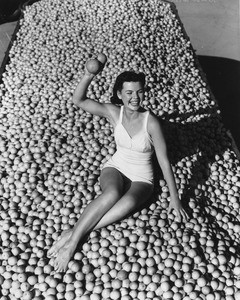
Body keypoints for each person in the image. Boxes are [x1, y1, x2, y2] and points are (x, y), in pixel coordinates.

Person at [47, 61, 188, 272]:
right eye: (129, 92)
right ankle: (73, 243)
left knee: (129, 202)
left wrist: (175, 200)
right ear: (119, 94)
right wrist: (88, 74)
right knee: (111, 194)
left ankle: (75, 231)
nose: (135, 98)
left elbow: (164, 161)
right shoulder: (114, 113)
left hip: (142, 178)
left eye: (139, 92)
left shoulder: (152, 123)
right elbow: (79, 100)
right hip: (116, 167)